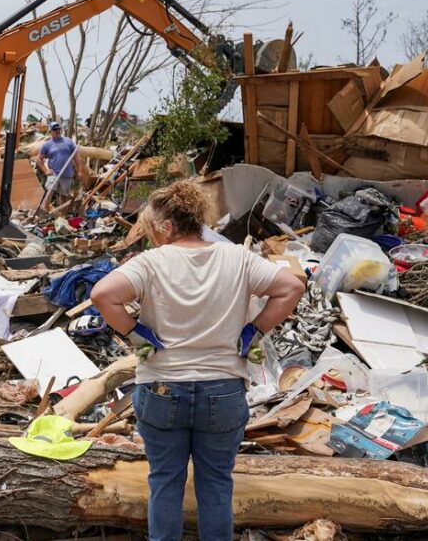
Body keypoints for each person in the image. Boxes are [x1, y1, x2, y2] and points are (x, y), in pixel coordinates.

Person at [90, 181, 304, 541]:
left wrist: (136, 334)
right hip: (222, 390)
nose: (152, 235)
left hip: (161, 388)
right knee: (216, 485)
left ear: (168, 226)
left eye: (154, 227)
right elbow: (292, 287)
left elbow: (102, 295)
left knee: (165, 482)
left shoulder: (151, 262)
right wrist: (256, 330)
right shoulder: (237, 257)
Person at [37, 121, 85, 209]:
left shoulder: (68, 142)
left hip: (67, 173)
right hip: (54, 173)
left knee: (64, 196)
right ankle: (44, 210)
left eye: (59, 129)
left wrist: (80, 171)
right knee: (50, 190)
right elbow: (39, 159)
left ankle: (62, 216)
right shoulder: (47, 144)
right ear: (51, 131)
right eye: (55, 129)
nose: (57, 131)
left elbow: (77, 157)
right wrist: (45, 171)